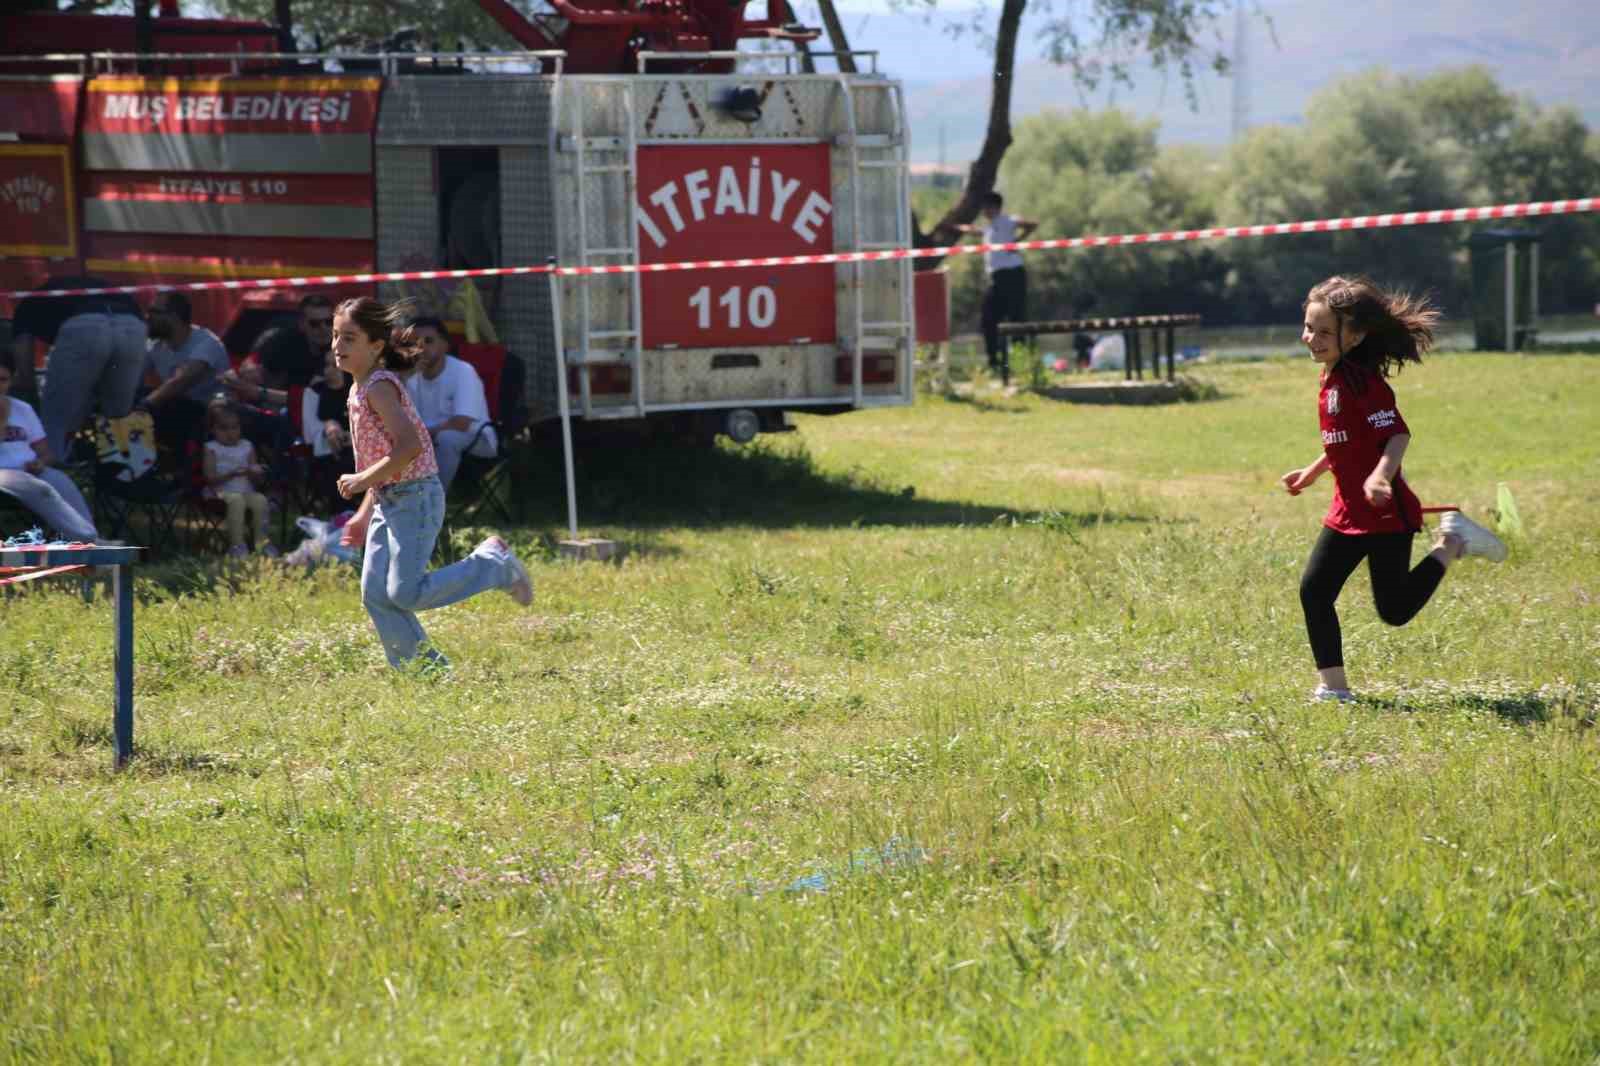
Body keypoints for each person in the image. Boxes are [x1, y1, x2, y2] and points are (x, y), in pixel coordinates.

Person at [1280, 275, 1507, 704]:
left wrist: (1381, 476)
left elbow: (1397, 436)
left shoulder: (1365, 384)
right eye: (1309, 327)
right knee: (1314, 591)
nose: (1312, 338)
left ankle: (1453, 542)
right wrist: (1314, 471)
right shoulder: (1331, 378)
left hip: (1386, 515)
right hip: (1348, 512)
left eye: (1325, 331)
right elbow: (1346, 440)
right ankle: (1334, 689)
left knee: (1395, 611)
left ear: (1356, 335)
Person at [332, 297, 532, 671]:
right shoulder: (358, 390)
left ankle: (493, 566)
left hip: (415, 497)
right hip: (389, 500)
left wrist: (360, 480)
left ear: (375, 346)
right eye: (336, 336)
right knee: (375, 594)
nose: (337, 346)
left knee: (404, 592)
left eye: (349, 338)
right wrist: (363, 515)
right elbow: (381, 459)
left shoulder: (378, 387)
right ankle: (426, 673)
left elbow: (408, 448)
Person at [9, 275, 146, 463]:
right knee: (119, 416)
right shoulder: (72, 290)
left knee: (56, 420)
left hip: (86, 325)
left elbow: (24, 377)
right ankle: (130, 475)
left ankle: (54, 475)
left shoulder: (24, 309)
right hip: (134, 325)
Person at [0, 352, 104, 543]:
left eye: (3, 380)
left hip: (29, 470)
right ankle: (86, 542)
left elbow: (45, 452)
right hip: (4, 475)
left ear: (11, 380)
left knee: (61, 481)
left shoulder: (23, 409)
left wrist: (40, 463)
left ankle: (92, 539)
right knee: (41, 490)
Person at [404, 316, 496, 492]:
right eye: (414, 342)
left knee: (447, 438)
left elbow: (462, 423)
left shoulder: (463, 372)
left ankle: (434, 503)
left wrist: (423, 435)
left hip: (476, 438)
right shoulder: (412, 380)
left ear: (445, 345)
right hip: (428, 440)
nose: (420, 348)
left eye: (428, 341)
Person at [140, 291, 232, 451]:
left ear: (174, 317)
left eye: (154, 312)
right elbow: (132, 376)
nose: (147, 317)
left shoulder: (206, 343)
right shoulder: (154, 344)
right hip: (175, 407)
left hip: (209, 413)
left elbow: (180, 381)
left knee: (171, 407)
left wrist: (142, 407)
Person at [957, 192, 1036, 376]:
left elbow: (1031, 224)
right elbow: (975, 231)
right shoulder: (989, 228)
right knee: (988, 320)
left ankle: (1021, 362)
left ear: (995, 207)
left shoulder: (1007, 221)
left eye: (987, 207)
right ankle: (996, 363)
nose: (984, 211)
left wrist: (1016, 242)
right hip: (997, 278)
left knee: (1017, 319)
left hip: (1013, 275)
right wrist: (954, 227)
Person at [202, 404, 276, 559]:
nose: (230, 433)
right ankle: (237, 545)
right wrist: (232, 474)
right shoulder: (211, 448)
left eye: (234, 427)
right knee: (236, 501)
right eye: (223, 428)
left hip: (245, 491)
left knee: (261, 500)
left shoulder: (247, 446)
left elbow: (256, 479)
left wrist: (255, 473)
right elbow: (209, 478)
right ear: (212, 430)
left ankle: (261, 543)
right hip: (219, 493)